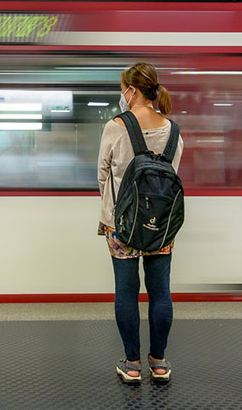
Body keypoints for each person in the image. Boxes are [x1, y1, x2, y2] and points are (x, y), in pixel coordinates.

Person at [97, 62, 184, 384]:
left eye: (123, 88)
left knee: (126, 291)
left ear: (131, 90)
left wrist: (111, 216)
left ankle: (131, 364)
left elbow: (102, 175)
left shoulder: (116, 126)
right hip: (161, 226)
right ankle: (159, 363)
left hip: (122, 225)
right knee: (161, 292)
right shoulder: (173, 129)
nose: (123, 94)